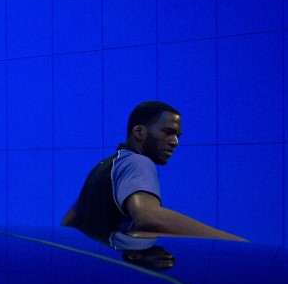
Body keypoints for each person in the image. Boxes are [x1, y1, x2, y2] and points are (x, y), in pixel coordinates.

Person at [61, 101, 246, 243]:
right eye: (168, 132)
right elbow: (147, 216)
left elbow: (68, 222)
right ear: (139, 132)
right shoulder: (138, 162)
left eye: (177, 136)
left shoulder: (102, 167)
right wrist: (232, 242)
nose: (175, 142)